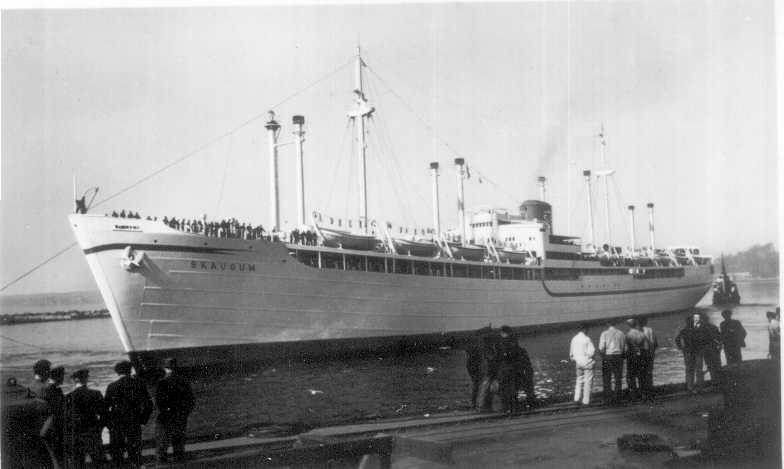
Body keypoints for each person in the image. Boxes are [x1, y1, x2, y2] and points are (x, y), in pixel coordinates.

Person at [105, 361, 153, 467]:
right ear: (130, 370)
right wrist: (143, 421)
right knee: (135, 452)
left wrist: (109, 425)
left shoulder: (112, 386)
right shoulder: (139, 383)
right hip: (134, 421)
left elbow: (105, 409)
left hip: (117, 423)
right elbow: (149, 405)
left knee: (117, 453)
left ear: (117, 372)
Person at [155, 358, 195, 463]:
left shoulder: (162, 382)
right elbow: (191, 400)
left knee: (163, 438)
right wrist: (185, 412)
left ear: (165, 368)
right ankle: (179, 457)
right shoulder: (184, 381)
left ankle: (161, 459)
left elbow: (159, 401)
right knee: (179, 437)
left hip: (166, 415)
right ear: (176, 368)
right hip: (180, 414)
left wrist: (164, 412)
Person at [65, 368, 106, 468]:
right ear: (86, 379)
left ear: (75, 380)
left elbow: (67, 419)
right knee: (98, 462)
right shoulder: (96, 394)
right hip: (93, 432)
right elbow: (104, 414)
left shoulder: (69, 397)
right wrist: (99, 428)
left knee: (78, 463)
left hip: (77, 434)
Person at [41, 366, 66, 468]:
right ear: (58, 377)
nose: (64, 379)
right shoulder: (51, 390)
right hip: (54, 430)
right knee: (57, 458)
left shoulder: (52, 389)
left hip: (53, 429)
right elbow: (56, 411)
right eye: (62, 376)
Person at [598, 321, 627, 404]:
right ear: (615, 324)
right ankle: (617, 397)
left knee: (607, 377)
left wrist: (603, 357)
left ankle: (608, 397)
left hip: (608, 356)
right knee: (618, 377)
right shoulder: (621, 333)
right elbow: (624, 348)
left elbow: (601, 348)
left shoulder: (604, 333)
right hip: (618, 356)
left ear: (607, 324)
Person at [569, 323, 596, 406]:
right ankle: (586, 401)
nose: (588, 331)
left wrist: (577, 358)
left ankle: (576, 398)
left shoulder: (574, 339)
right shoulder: (587, 339)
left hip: (578, 363)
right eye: (587, 329)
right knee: (588, 382)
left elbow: (571, 354)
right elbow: (592, 352)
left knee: (579, 380)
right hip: (587, 363)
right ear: (584, 329)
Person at [675, 313, 703, 392]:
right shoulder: (697, 330)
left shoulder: (684, 330)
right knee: (698, 370)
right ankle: (699, 387)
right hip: (696, 351)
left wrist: (681, 348)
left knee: (690, 370)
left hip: (688, 352)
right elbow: (702, 340)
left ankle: (690, 387)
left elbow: (677, 339)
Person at [694, 312, 722, 386]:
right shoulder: (713, 327)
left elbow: (697, 340)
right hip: (713, 348)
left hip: (705, 349)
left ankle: (713, 381)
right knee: (716, 365)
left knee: (710, 365)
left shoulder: (698, 328)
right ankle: (717, 381)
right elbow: (719, 338)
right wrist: (720, 346)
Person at [625, 318, 650, 400]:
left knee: (631, 376)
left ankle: (633, 394)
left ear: (628, 325)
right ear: (635, 324)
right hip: (641, 356)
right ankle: (643, 393)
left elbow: (626, 348)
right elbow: (646, 347)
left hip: (631, 357)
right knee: (641, 376)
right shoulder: (642, 334)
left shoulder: (628, 335)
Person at [465, 330, 486, 409]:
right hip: (476, 366)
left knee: (476, 384)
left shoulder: (472, 345)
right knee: (478, 384)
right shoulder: (478, 345)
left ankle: (474, 403)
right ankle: (478, 403)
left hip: (472, 366)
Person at [638, 317, 658, 397]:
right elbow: (655, 343)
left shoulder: (637, 331)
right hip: (650, 353)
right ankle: (650, 390)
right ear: (646, 322)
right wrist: (652, 352)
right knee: (649, 372)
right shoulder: (650, 330)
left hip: (641, 353)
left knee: (641, 373)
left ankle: (643, 391)